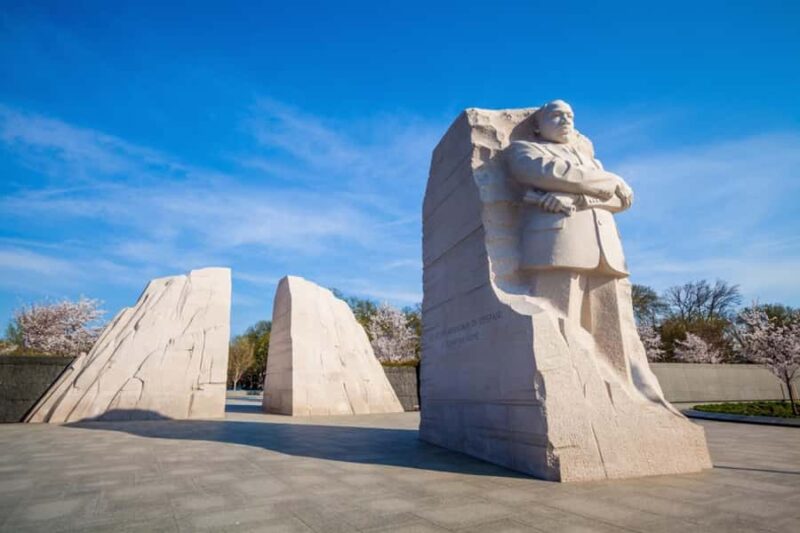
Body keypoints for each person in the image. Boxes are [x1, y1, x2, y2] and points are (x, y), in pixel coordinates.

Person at [506, 100, 639, 376]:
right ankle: (566, 386)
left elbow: (622, 200)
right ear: (538, 126)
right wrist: (610, 180)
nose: (566, 120)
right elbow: (548, 172)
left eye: (570, 115)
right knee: (558, 327)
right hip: (559, 246)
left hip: (606, 249)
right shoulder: (525, 149)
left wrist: (575, 196)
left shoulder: (592, 162)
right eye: (556, 115)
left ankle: (618, 394)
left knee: (612, 336)